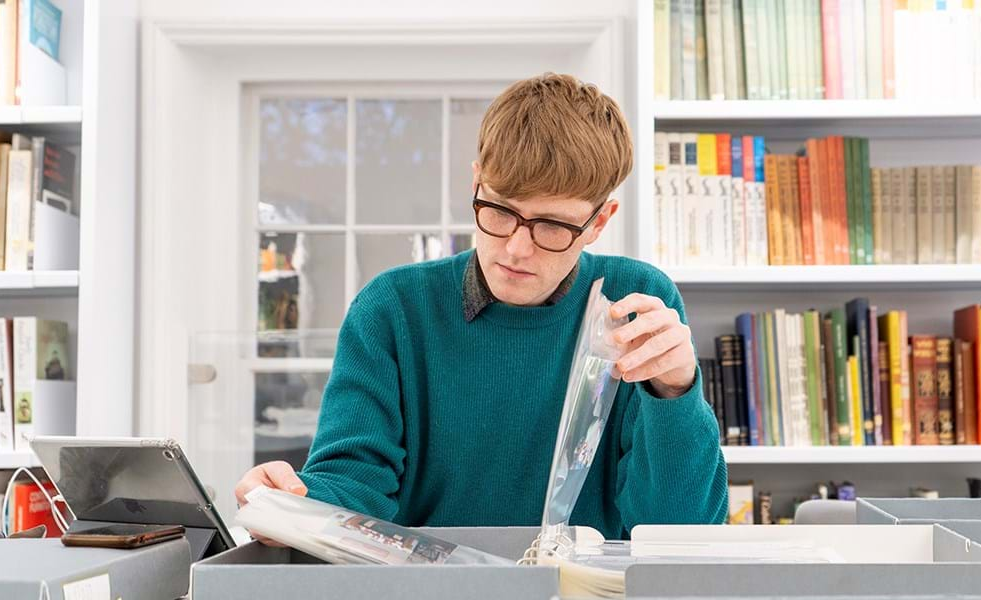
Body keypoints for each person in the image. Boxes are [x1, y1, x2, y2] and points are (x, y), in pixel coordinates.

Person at [235, 73, 727, 541]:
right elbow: (354, 486)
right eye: (498, 210)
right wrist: (291, 503)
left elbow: (681, 530)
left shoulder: (636, 301)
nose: (515, 249)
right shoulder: (393, 309)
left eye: (552, 227)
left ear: (599, 223)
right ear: (476, 184)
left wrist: (675, 395)